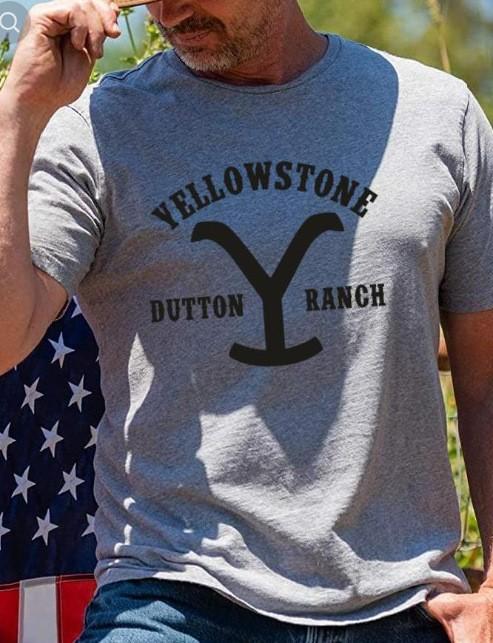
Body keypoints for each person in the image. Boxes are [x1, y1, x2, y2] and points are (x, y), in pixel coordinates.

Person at [0, 0, 492, 640]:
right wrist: (20, 113)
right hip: (172, 597)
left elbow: (485, 378)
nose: (169, 11)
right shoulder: (94, 128)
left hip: (401, 605)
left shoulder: (438, 114)